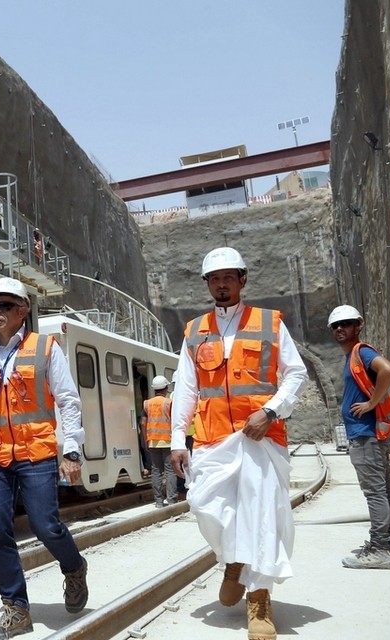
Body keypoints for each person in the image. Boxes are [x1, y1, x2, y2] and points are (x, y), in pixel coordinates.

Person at [170, 247, 306, 640]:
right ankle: (234, 559)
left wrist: (272, 411)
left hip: (261, 436)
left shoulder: (269, 323)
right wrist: (179, 439)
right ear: (207, 285)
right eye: (214, 279)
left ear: (243, 280)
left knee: (262, 515)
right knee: (203, 505)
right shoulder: (195, 331)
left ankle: (259, 599)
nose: (222, 284)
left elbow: (294, 374)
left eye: (229, 277)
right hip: (213, 439)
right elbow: (186, 389)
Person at [0, 277, 88, 639]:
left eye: (4, 306)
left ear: (23, 310)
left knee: (45, 525)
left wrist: (72, 451)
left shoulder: (46, 348)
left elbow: (67, 400)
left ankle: (74, 567)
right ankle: (16, 609)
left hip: (36, 453)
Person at [327, 304, 390, 569]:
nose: (339, 329)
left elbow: (388, 370)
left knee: (375, 493)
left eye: (345, 324)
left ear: (359, 325)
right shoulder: (353, 356)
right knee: (386, 490)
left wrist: (371, 403)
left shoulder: (362, 351)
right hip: (369, 434)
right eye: (335, 326)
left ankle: (379, 549)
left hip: (365, 434)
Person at [142, 375, 177, 507]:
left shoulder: (147, 403)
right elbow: (174, 420)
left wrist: (146, 439)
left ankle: (158, 501)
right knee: (170, 471)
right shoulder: (169, 403)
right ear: (166, 388)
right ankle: (172, 499)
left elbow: (143, 423)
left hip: (153, 441)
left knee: (156, 471)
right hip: (168, 440)